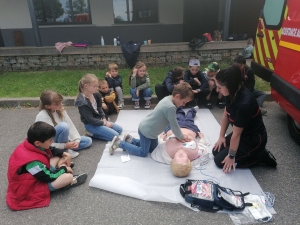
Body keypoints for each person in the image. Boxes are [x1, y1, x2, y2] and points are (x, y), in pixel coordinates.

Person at [6, 121, 88, 211]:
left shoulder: (31, 144)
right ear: (38, 143)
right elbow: (48, 177)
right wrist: (63, 169)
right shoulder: (32, 163)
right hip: (30, 187)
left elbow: (50, 149)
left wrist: (64, 154)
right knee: (68, 177)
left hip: (36, 176)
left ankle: (60, 171)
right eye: (50, 140)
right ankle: (68, 181)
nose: (52, 141)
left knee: (57, 156)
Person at [212, 65, 277, 174]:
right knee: (216, 151)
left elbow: (236, 135)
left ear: (229, 86)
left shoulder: (243, 105)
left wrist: (231, 156)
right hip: (242, 134)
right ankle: (247, 154)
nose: (217, 89)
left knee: (219, 162)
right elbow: (226, 114)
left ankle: (260, 157)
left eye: (219, 87)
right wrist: (221, 136)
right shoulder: (230, 92)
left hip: (253, 140)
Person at [109, 82, 194, 157]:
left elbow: (169, 122)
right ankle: (119, 143)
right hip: (147, 131)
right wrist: (182, 137)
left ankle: (130, 140)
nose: (183, 105)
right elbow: (174, 125)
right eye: (184, 102)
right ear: (177, 96)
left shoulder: (168, 98)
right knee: (143, 152)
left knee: (153, 149)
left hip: (150, 131)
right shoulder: (170, 107)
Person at [151, 106, 209, 177]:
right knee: (189, 119)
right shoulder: (195, 154)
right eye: (183, 159)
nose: (181, 155)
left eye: (178, 158)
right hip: (190, 128)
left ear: (172, 161)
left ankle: (179, 108)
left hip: (174, 127)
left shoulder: (166, 153)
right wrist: (202, 138)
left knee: (178, 116)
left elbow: (161, 146)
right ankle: (192, 111)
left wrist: (162, 139)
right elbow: (202, 146)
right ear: (189, 161)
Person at [35, 90, 92, 159]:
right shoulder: (43, 117)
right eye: (57, 104)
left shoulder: (60, 110)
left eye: (60, 102)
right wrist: (65, 145)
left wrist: (76, 140)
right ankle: (64, 151)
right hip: (50, 143)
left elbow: (70, 126)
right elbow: (46, 143)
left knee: (88, 141)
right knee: (63, 126)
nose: (61, 105)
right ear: (47, 106)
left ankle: (67, 148)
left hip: (63, 139)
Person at [74, 74, 123, 141]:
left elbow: (99, 107)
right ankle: (91, 133)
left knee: (119, 130)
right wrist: (104, 123)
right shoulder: (83, 102)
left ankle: (98, 132)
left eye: (97, 86)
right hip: (91, 125)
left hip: (99, 120)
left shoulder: (96, 95)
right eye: (95, 86)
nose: (97, 88)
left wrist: (103, 118)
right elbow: (90, 119)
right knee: (116, 135)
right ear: (86, 86)